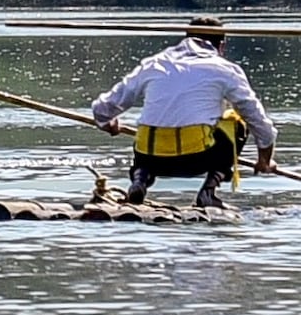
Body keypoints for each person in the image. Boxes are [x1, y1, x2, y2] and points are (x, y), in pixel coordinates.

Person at [85, 15, 281, 205]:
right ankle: (208, 191)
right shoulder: (224, 69)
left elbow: (102, 108)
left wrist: (107, 123)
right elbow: (257, 119)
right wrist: (265, 160)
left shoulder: (154, 63)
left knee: (150, 135)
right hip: (198, 159)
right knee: (238, 122)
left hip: (151, 158)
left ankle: (140, 179)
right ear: (221, 47)